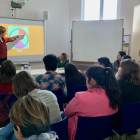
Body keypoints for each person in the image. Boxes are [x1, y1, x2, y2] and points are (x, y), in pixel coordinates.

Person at [0, 71, 61, 140]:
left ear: (17, 88)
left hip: (39, 132)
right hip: (58, 131)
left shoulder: (26, 104)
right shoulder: (51, 94)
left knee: (14, 125)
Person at [65, 65, 121, 140]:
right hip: (102, 134)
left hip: (80, 135)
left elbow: (67, 112)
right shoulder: (112, 96)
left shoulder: (80, 97)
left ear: (91, 80)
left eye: (86, 79)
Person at [113, 59, 140, 131]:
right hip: (136, 121)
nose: (118, 68)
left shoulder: (118, 84)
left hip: (119, 121)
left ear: (125, 70)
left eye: (120, 67)